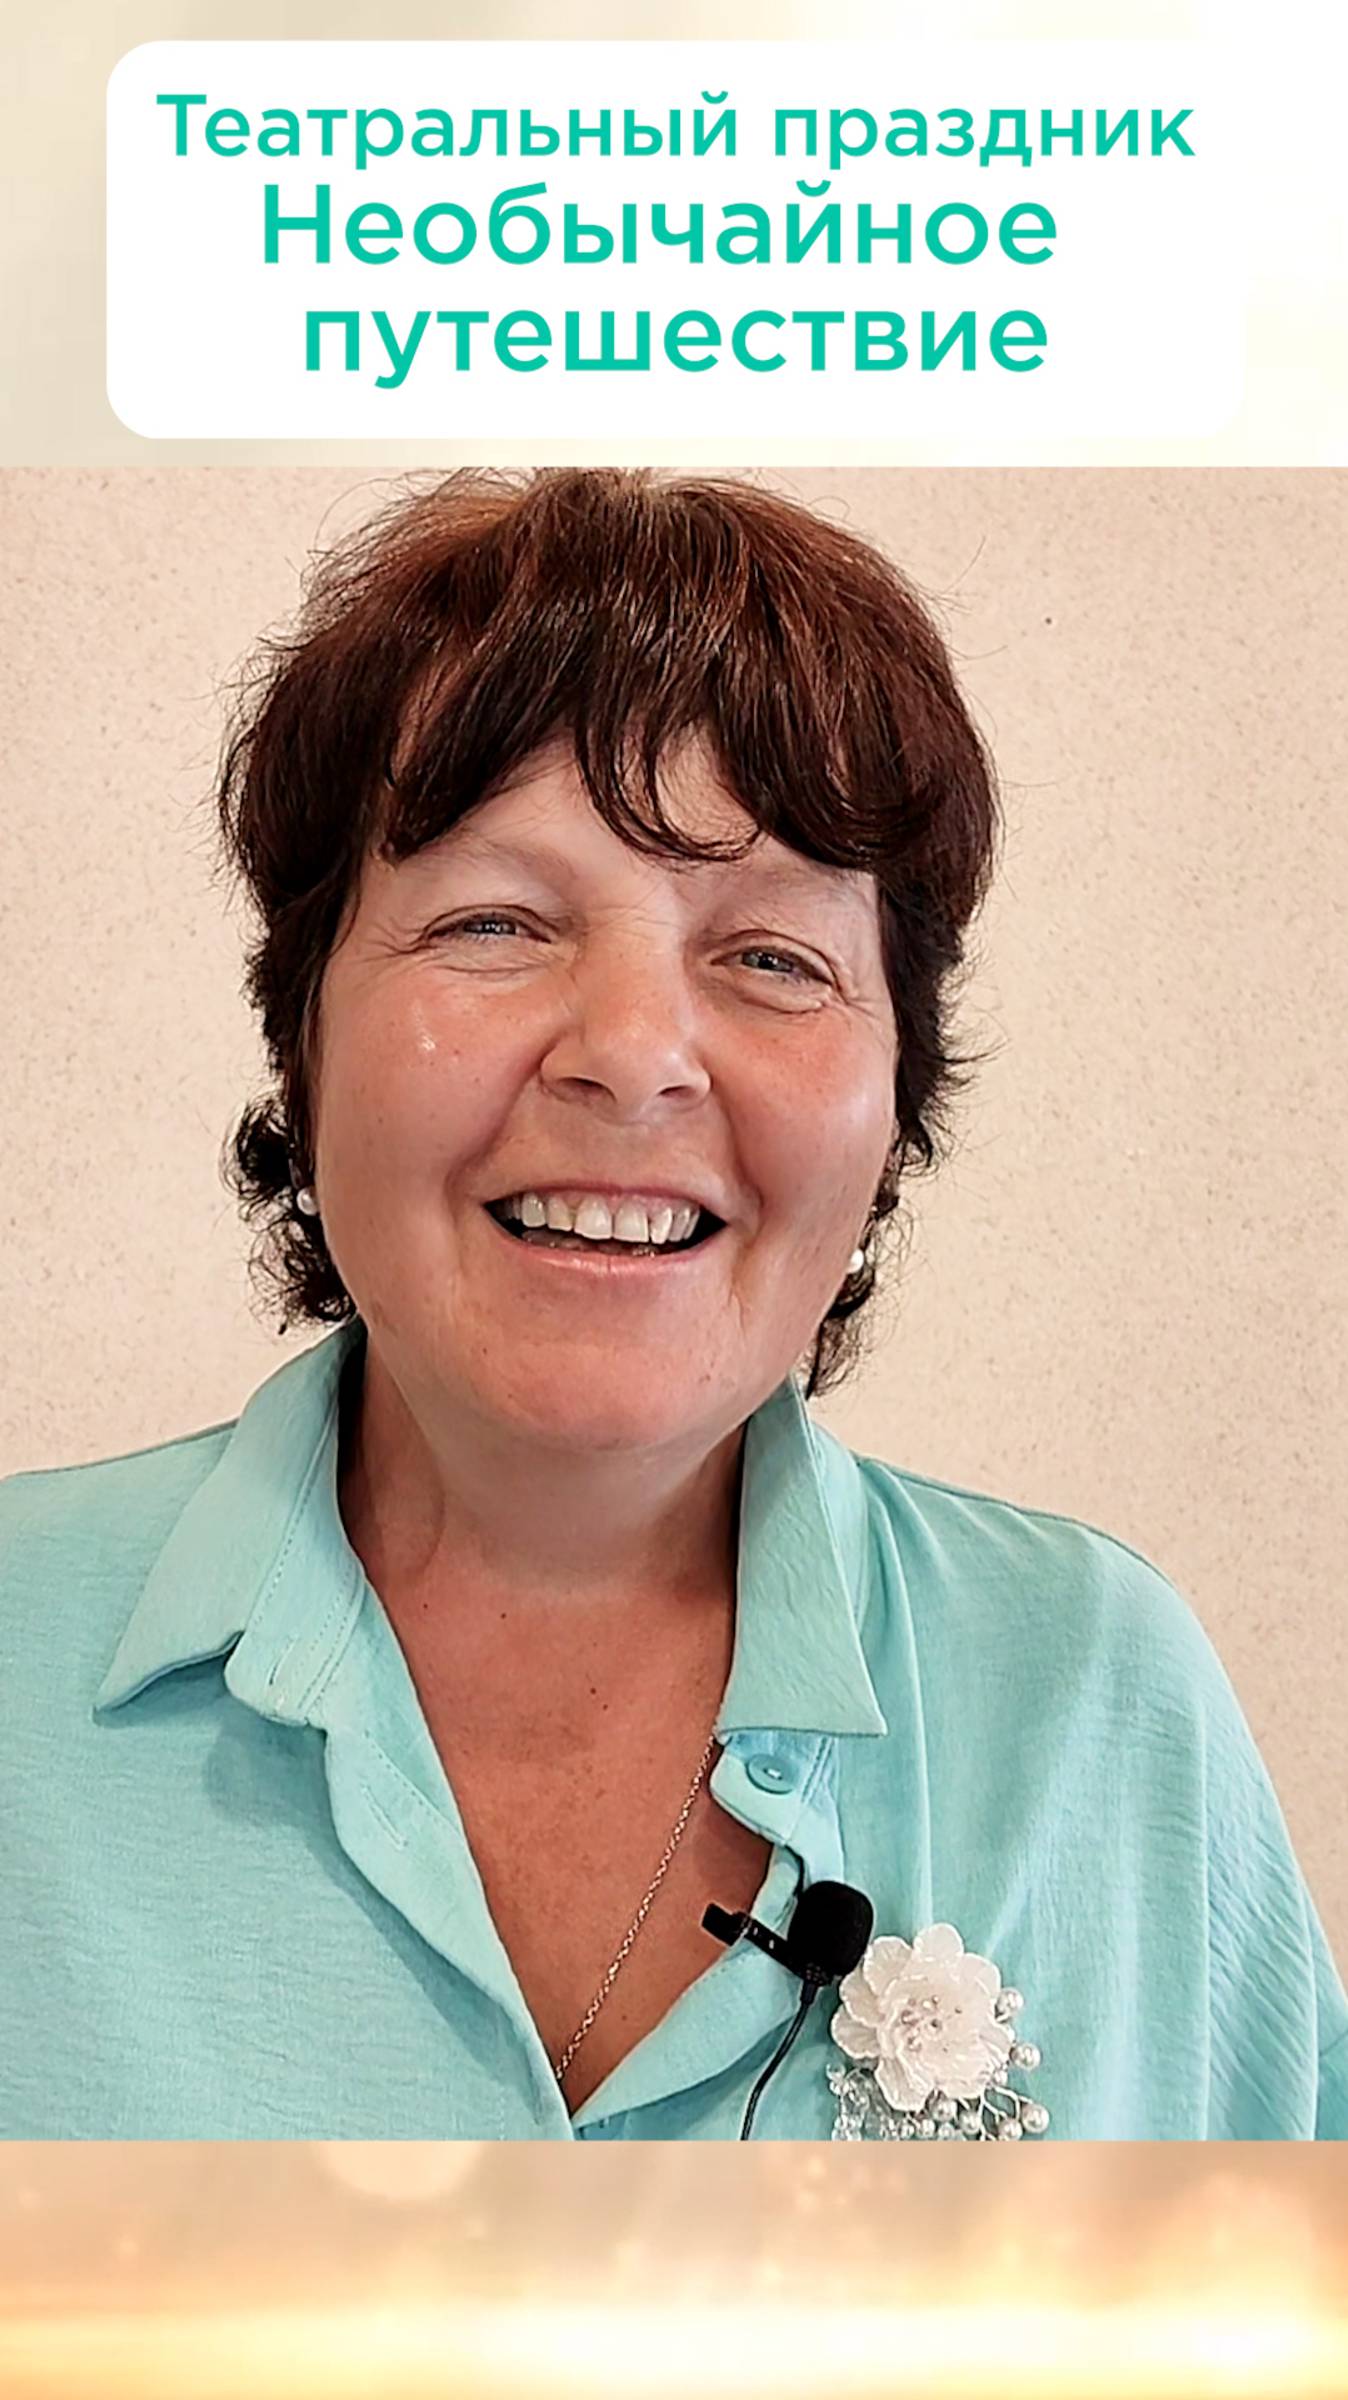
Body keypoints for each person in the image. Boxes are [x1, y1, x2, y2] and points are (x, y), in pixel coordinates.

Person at [1, 468, 1344, 2141]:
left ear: (896, 1102)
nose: (633, 1056)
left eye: (774, 956)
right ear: (305, 1038)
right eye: (494, 921)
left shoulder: (1101, 1705)